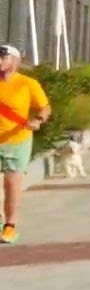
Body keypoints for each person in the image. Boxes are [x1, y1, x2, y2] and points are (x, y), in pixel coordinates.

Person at [0, 45, 51, 244]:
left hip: (17, 141)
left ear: (14, 61)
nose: (0, 60)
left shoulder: (27, 83)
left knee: (12, 185)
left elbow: (44, 107)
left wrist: (38, 119)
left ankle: (10, 226)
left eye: (3, 57)